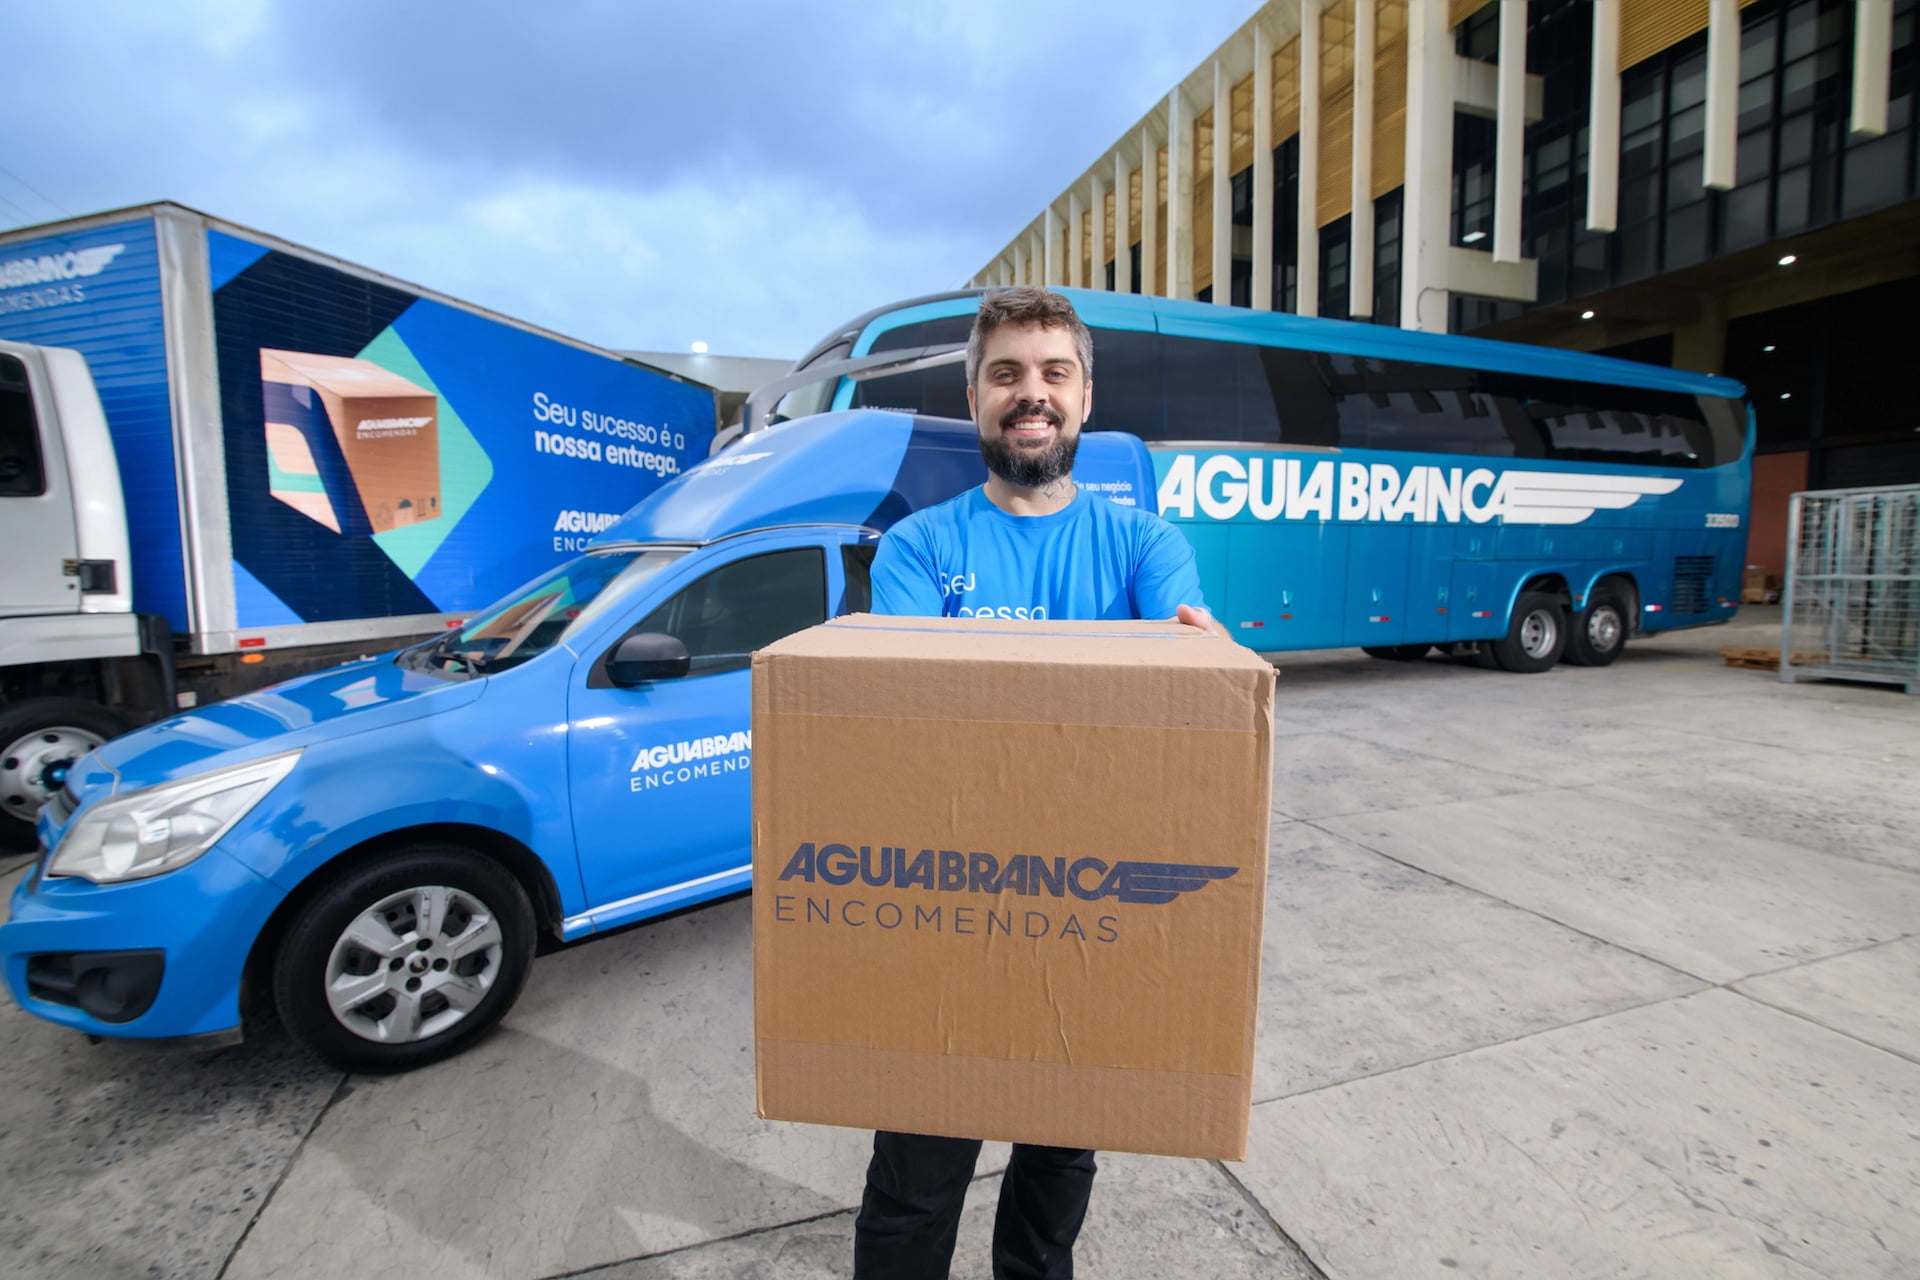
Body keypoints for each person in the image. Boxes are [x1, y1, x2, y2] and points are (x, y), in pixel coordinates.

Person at [854, 286, 1228, 1280]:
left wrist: (1206, 667)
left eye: (1054, 373)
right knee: (916, 1175)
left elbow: (1182, 708)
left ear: (1086, 396)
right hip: (947, 913)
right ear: (974, 394)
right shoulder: (920, 547)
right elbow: (901, 735)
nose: (1033, 394)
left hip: (1093, 914)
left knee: (1060, 1162)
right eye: (1008, 373)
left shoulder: (1147, 546)